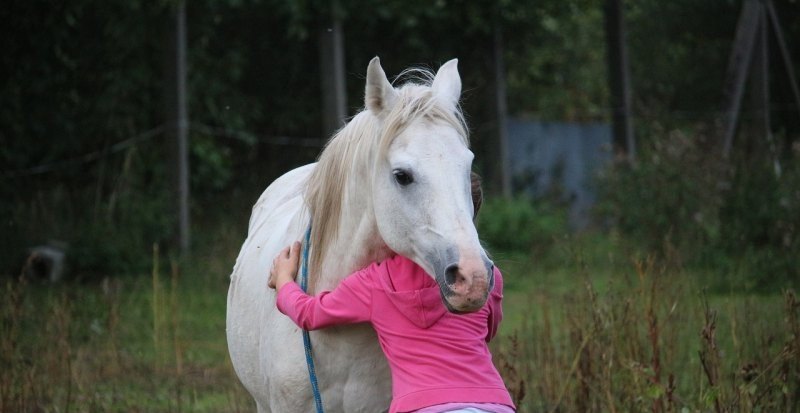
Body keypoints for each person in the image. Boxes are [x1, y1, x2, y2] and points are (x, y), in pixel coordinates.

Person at [268, 173, 515, 413]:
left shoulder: (377, 283)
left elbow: (310, 314)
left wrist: (284, 281)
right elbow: (487, 332)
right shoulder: (485, 277)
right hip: (493, 403)